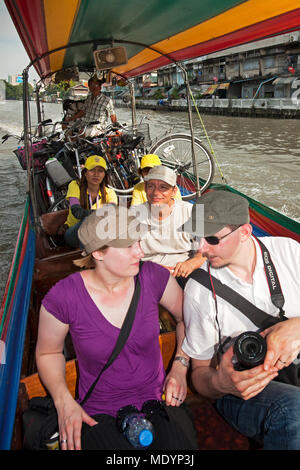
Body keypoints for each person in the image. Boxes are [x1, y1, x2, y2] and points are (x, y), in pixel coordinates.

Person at [35, 205, 197, 450]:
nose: (141, 252)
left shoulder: (153, 277)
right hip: (98, 413)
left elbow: (188, 319)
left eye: (139, 242)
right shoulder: (64, 297)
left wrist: (180, 366)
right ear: (98, 253)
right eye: (129, 245)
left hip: (159, 401)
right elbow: (48, 353)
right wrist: (63, 401)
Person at [180, 190, 300, 450]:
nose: (200, 248)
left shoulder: (289, 252)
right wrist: (219, 383)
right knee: (294, 411)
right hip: (241, 393)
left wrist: (296, 327)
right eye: (196, 237)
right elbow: (199, 373)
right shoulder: (199, 290)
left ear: (245, 232)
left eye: (212, 238)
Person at [129, 165, 206, 283]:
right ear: (145, 188)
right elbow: (125, 256)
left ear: (174, 191)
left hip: (183, 273)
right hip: (146, 274)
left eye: (163, 187)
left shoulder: (191, 212)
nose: (155, 192)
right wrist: (150, 269)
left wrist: (191, 264)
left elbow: (206, 252)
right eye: (151, 186)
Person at [63, 155, 117, 248]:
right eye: (92, 170)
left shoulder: (109, 192)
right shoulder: (75, 185)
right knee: (88, 222)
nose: (96, 174)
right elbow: (77, 212)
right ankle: (87, 258)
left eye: (100, 171)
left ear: (104, 175)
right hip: (73, 234)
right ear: (85, 173)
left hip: (98, 233)